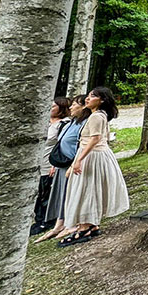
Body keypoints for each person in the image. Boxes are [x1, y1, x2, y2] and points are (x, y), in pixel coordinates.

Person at [59, 87, 129, 247]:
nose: (88, 99)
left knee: (85, 189)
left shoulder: (97, 116)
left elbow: (95, 138)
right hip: (94, 154)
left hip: (91, 155)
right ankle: (91, 224)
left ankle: (84, 227)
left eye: (92, 96)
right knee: (89, 189)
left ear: (102, 100)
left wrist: (78, 160)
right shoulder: (98, 115)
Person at [34, 95, 88, 243]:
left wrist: (73, 163)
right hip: (57, 162)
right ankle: (58, 222)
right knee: (53, 193)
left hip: (68, 163)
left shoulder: (74, 123)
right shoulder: (70, 122)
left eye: (75, 105)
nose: (71, 107)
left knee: (59, 192)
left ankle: (64, 222)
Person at [30, 98, 71, 235]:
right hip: (37, 163)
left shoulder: (63, 124)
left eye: (53, 106)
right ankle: (39, 219)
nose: (50, 108)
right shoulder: (44, 122)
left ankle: (46, 221)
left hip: (50, 163)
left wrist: (55, 165)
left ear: (61, 108)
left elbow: (61, 145)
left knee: (46, 193)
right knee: (37, 193)